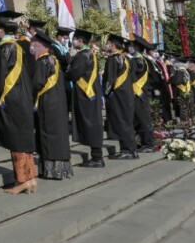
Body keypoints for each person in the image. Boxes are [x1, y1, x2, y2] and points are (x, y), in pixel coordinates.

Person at [0, 10, 37, 194]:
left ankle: (21, 180)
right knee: (24, 138)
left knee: (16, 140)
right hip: (23, 98)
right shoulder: (22, 47)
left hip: (10, 100)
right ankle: (30, 179)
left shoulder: (3, 49)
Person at [31, 30, 73, 179]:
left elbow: (37, 83)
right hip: (58, 103)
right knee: (59, 134)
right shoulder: (54, 60)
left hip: (47, 103)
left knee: (48, 134)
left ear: (43, 46)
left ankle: (51, 170)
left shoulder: (42, 62)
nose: (32, 47)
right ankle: (62, 169)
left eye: (34, 44)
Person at [66, 28, 105, 168]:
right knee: (93, 122)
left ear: (80, 41)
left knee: (90, 123)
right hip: (92, 94)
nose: (73, 42)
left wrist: (68, 66)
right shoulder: (91, 54)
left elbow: (73, 74)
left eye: (75, 39)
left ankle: (97, 158)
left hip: (85, 95)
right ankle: (97, 155)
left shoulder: (83, 55)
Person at [102, 34, 138, 159]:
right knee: (127, 121)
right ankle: (132, 149)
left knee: (122, 121)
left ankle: (126, 150)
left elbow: (110, 80)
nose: (107, 45)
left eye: (108, 43)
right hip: (127, 93)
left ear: (112, 44)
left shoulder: (113, 59)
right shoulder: (126, 58)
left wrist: (105, 93)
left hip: (118, 94)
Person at [128, 37, 156, 153]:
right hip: (141, 93)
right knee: (139, 118)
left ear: (137, 47)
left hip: (139, 93)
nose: (129, 48)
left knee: (143, 118)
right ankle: (143, 142)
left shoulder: (138, 61)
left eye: (131, 45)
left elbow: (133, 76)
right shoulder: (143, 60)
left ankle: (148, 144)